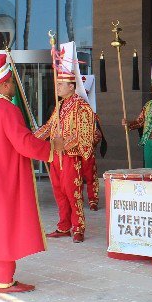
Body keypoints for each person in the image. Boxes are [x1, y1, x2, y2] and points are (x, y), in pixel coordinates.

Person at [0, 52, 63, 293]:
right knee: (5, 225)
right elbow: (24, 143)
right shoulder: (8, 110)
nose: (15, 86)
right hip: (4, 180)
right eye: (13, 82)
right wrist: (52, 148)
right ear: (5, 84)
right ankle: (5, 280)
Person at [34, 64, 97, 243]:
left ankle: (78, 228)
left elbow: (85, 134)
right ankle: (64, 226)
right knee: (59, 192)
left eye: (61, 84)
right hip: (55, 156)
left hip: (70, 157)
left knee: (72, 192)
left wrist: (65, 145)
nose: (58, 87)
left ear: (71, 86)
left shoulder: (82, 106)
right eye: (58, 84)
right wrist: (31, 140)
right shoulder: (60, 105)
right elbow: (48, 127)